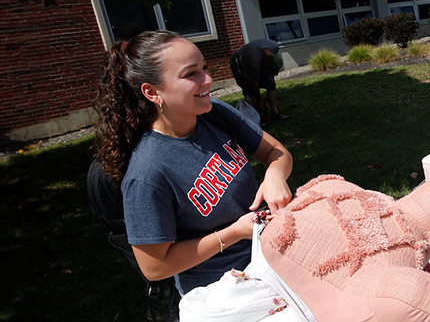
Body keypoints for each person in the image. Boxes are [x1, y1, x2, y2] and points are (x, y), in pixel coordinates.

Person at [93, 30, 295, 295]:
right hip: (223, 290)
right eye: (192, 74)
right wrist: (233, 233)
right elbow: (154, 266)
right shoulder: (148, 172)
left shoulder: (214, 114)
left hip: (271, 260)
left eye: (205, 68)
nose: (208, 80)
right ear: (152, 92)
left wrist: (275, 176)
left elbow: (278, 152)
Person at [230, 38, 288, 124]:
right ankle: (256, 119)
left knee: (271, 84)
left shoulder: (274, 46)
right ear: (265, 61)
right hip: (238, 63)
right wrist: (259, 100)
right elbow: (253, 82)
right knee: (248, 90)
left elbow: (271, 64)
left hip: (258, 59)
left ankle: (275, 113)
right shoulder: (253, 61)